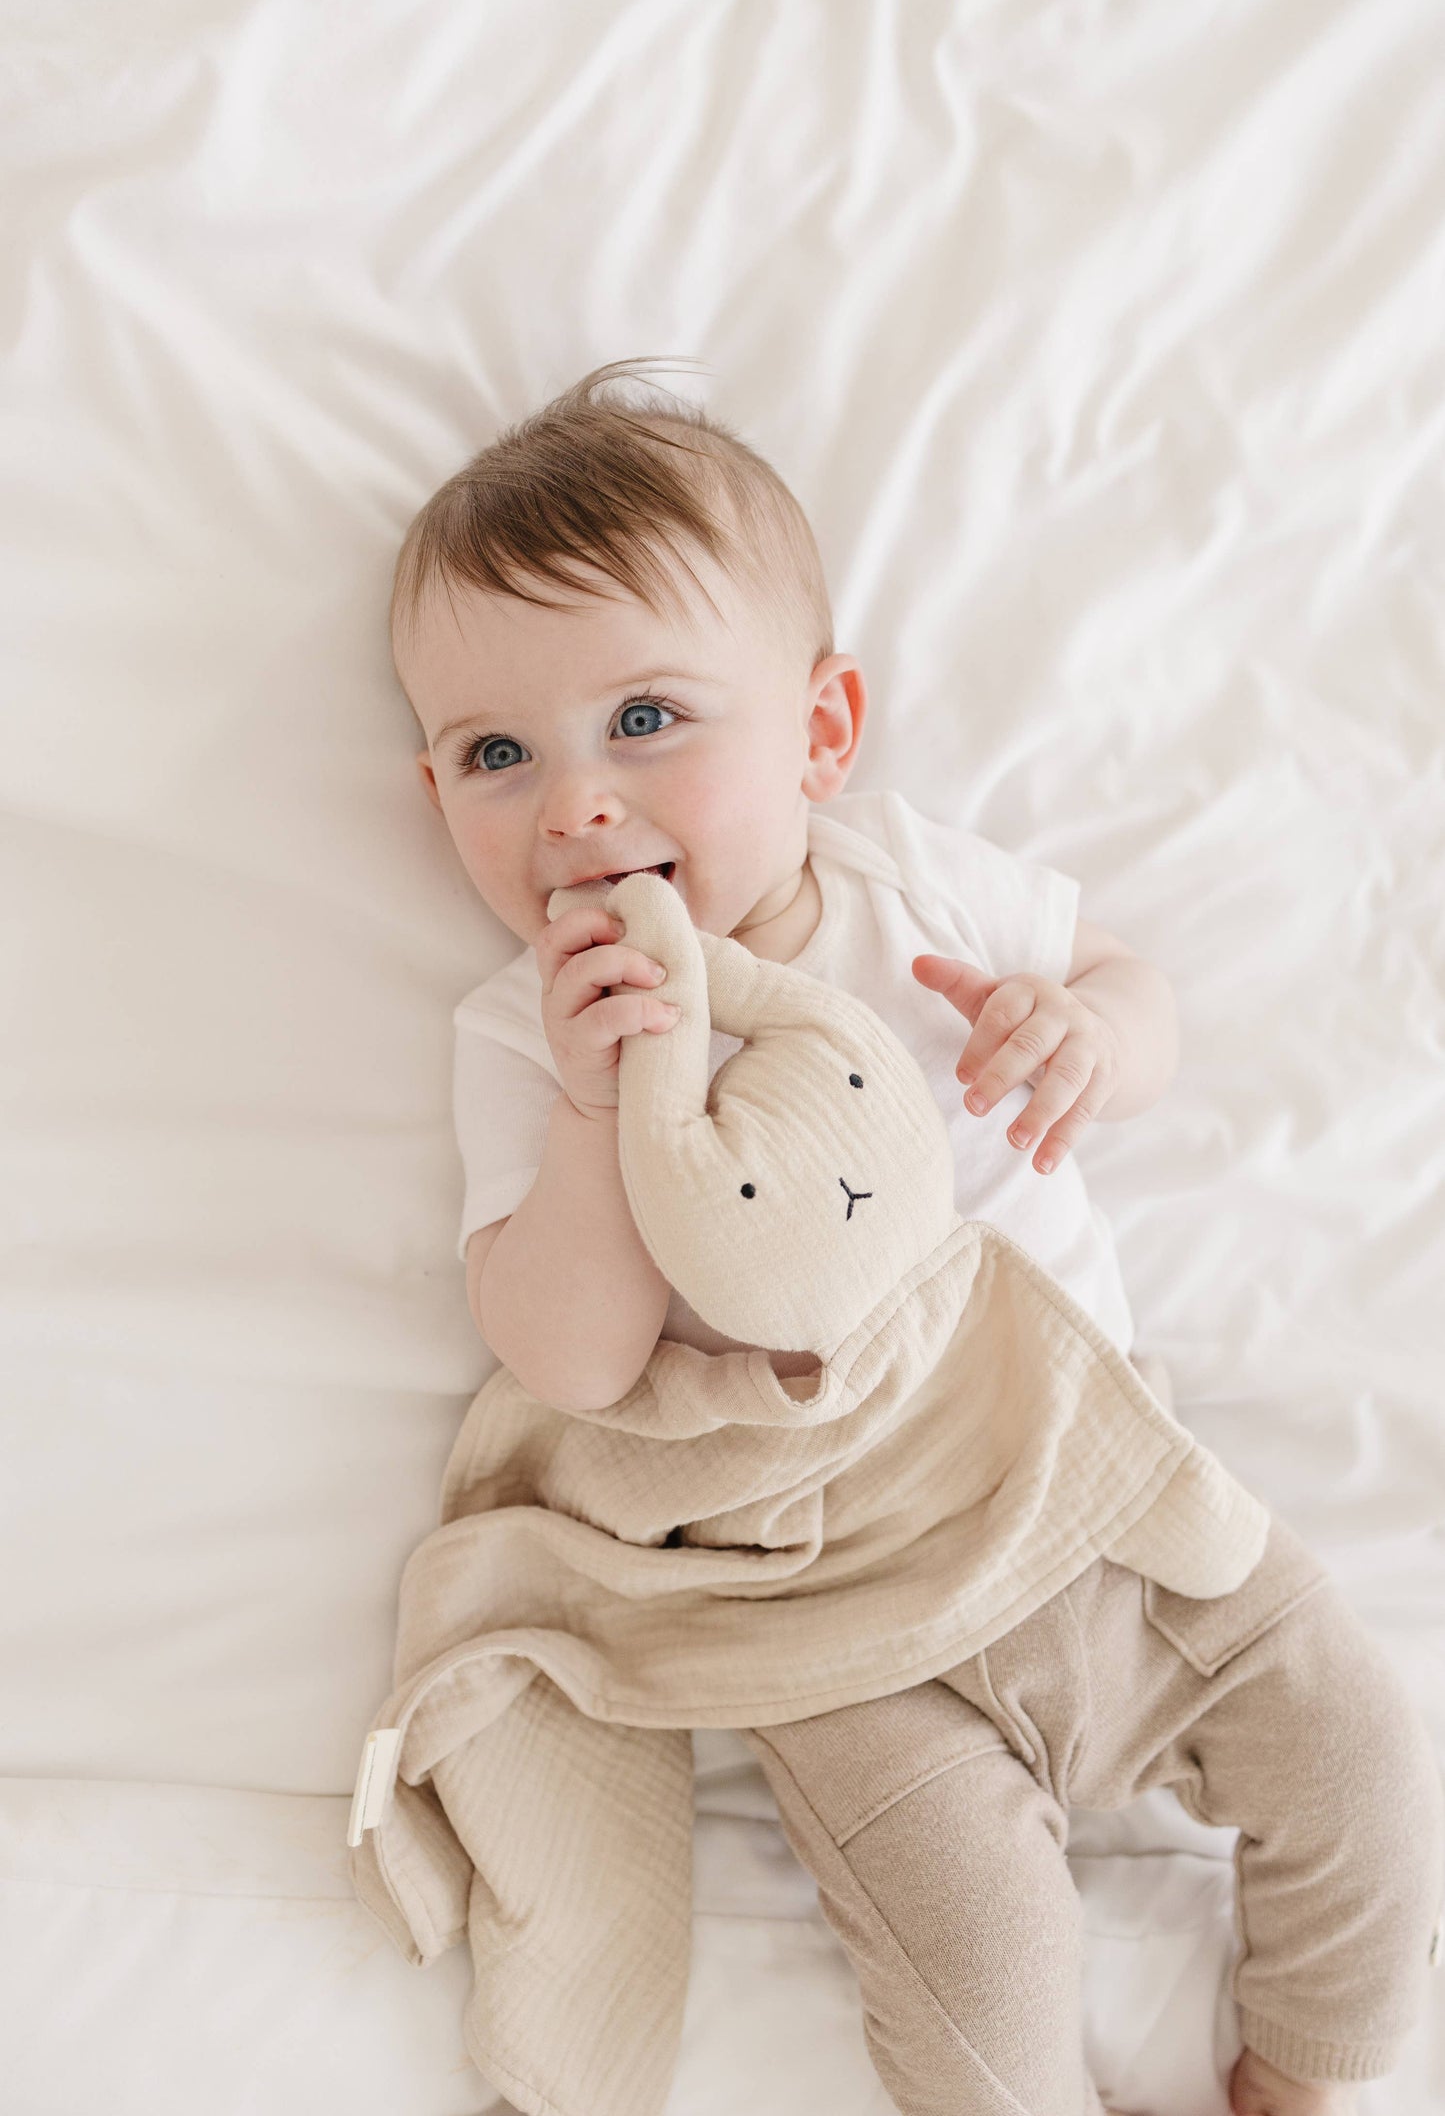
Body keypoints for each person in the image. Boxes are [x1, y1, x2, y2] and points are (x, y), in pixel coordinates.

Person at [388, 355, 1444, 2116]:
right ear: (435, 801)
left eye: (645, 720)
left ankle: (1302, 2078)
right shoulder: (522, 1038)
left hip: (1095, 1494)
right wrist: (597, 1113)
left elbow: (1130, 984)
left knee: (1360, 1753)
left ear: (817, 732)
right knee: (975, 1985)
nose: (576, 802)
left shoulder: (912, 887)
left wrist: (1091, 1031)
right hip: (840, 1621)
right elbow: (564, 1357)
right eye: (499, 754)